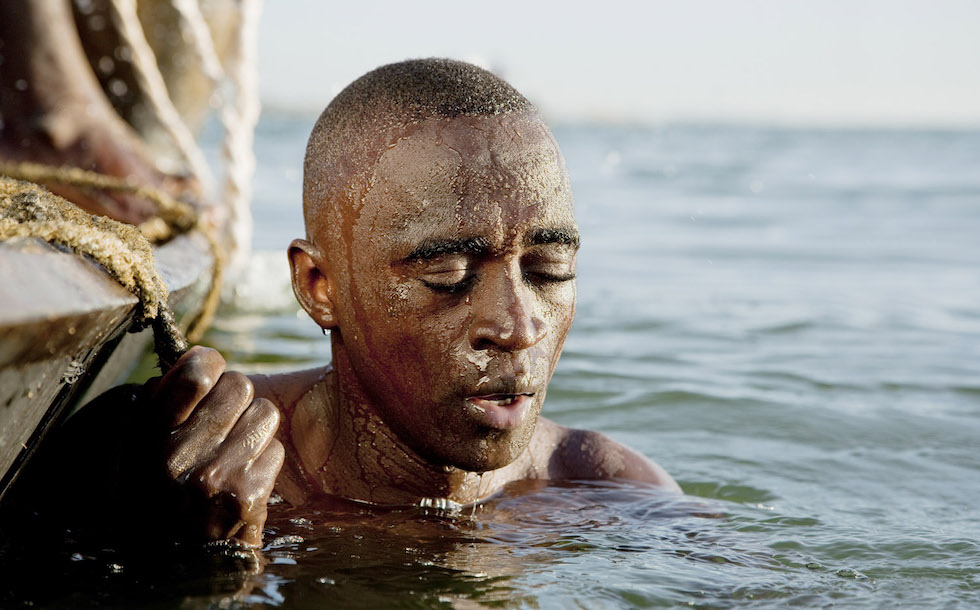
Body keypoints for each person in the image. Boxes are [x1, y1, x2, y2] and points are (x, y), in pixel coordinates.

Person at [18, 58, 679, 550]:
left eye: (549, 270)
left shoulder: (606, 493)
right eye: (448, 273)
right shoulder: (174, 467)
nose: (517, 326)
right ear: (318, 287)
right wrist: (189, 563)